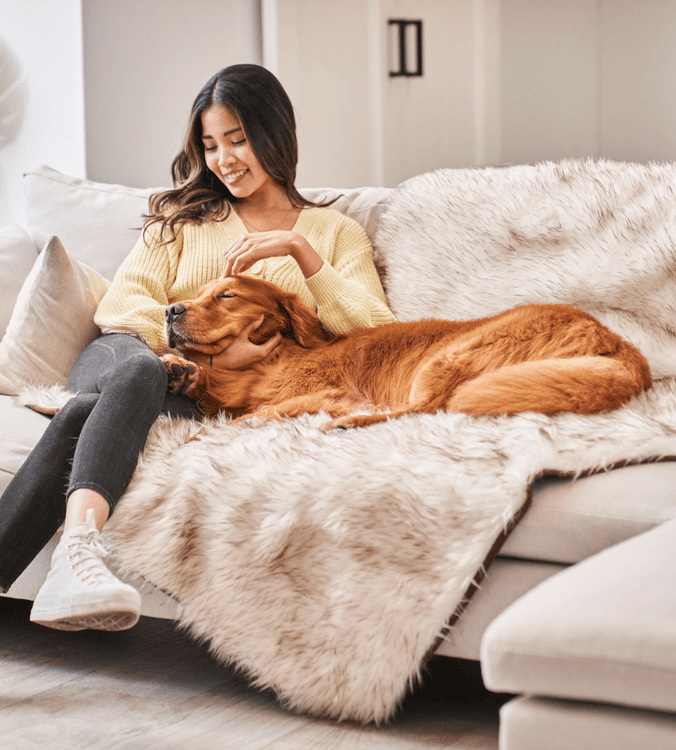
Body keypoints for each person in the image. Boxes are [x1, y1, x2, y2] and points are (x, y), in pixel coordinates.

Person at [0, 64, 396, 631]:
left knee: (87, 419)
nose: (224, 159)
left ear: (275, 135)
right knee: (138, 375)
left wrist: (302, 254)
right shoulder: (184, 219)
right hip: (121, 354)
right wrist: (199, 351)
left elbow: (374, 331)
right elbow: (123, 304)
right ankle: (77, 555)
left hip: (198, 395)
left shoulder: (333, 233)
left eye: (238, 139)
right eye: (210, 145)